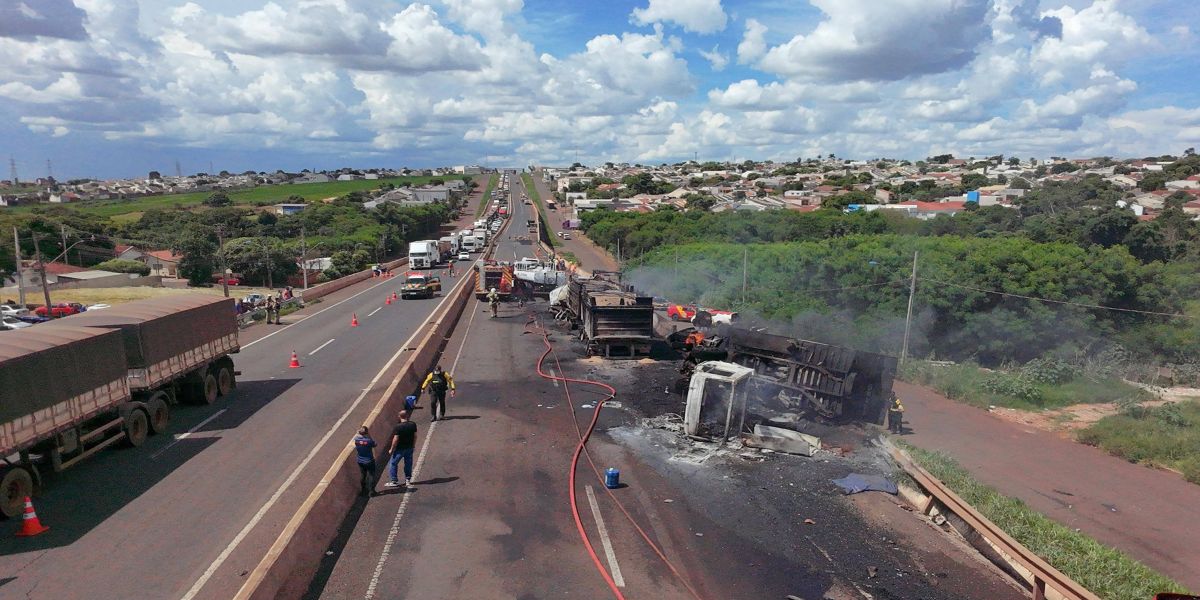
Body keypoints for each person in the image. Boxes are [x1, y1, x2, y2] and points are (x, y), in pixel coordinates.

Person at [385, 410, 418, 488]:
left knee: (393, 463)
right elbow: (415, 436)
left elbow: (395, 439)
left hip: (400, 449)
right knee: (408, 464)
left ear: (399, 417)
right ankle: (408, 480)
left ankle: (394, 480)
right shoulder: (413, 424)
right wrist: (413, 445)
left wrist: (391, 449)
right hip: (409, 447)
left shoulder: (398, 427)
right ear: (407, 416)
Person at [353, 426, 377, 497]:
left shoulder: (356, 440)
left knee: (363, 475)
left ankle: (363, 490)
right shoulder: (369, 441)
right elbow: (375, 444)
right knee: (371, 475)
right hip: (369, 460)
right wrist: (369, 435)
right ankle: (371, 491)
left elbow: (358, 436)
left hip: (360, 460)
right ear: (366, 433)